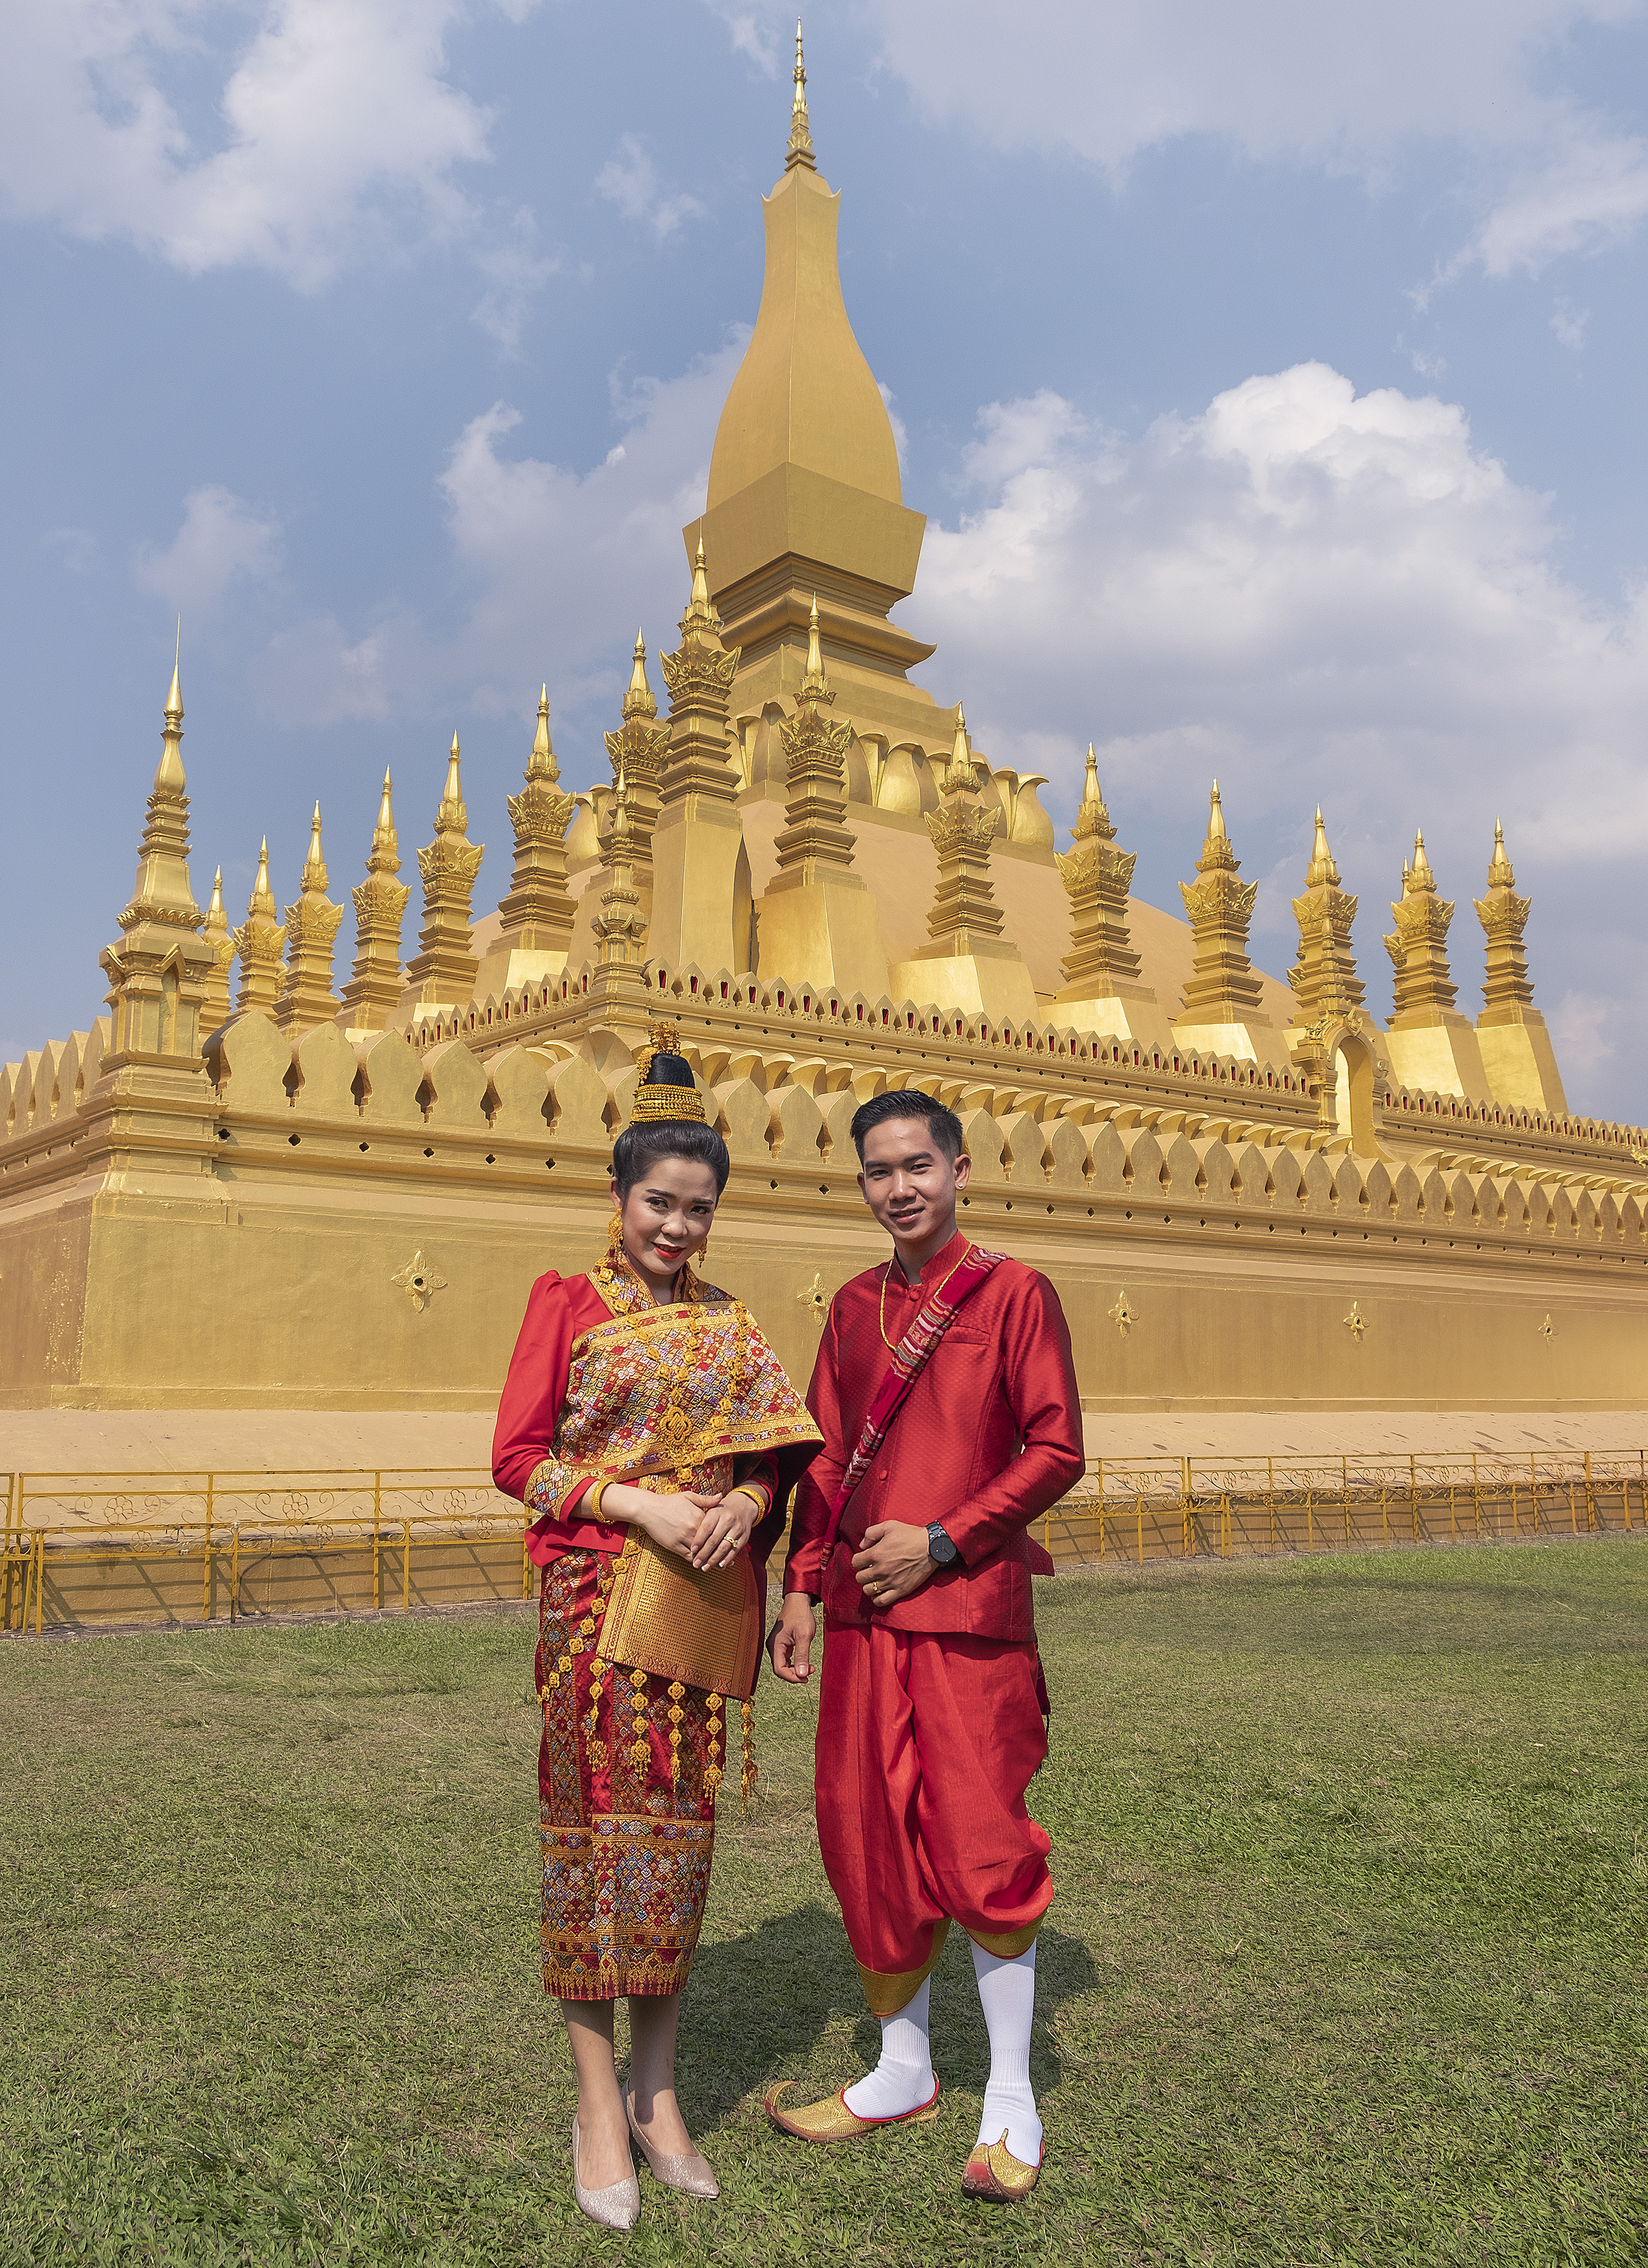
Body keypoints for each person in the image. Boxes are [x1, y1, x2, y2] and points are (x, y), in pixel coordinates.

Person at [493, 1033, 821, 2232]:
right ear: (618, 1197)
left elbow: (773, 1460)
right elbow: (518, 1463)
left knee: (676, 1851)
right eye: (659, 1204)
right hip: (591, 1613)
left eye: (699, 1209)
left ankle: (659, 2091)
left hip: (693, 1622)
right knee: (591, 1847)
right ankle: (594, 2103)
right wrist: (633, 1498)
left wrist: (739, 1501)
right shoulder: (568, 1300)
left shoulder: (731, 1324)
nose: (678, 1228)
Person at [764, 1089, 1083, 2202]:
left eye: (917, 1165)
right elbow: (825, 1458)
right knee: (863, 1831)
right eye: (877, 1171)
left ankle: (1010, 2099)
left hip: (966, 1616)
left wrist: (946, 1539)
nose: (899, 1187)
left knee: (979, 1839)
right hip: (858, 1615)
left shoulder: (1014, 1295)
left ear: (957, 1170)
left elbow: (1056, 1447)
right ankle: (902, 2067)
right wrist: (802, 1584)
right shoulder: (852, 1307)